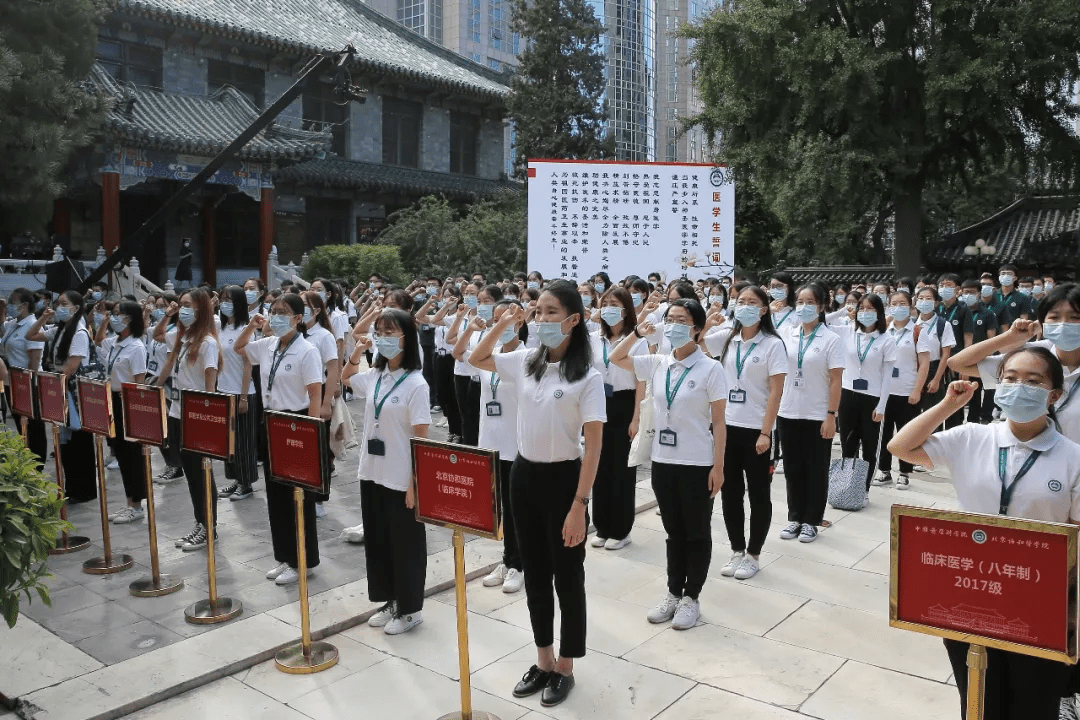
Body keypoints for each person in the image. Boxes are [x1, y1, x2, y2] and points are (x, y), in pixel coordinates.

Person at [888, 350, 1080, 720]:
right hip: (970, 591)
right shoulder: (972, 436)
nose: (1018, 387)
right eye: (1009, 378)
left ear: (1054, 394)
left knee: (1033, 703)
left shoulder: (1072, 457)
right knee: (978, 699)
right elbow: (901, 447)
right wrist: (948, 405)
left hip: (1040, 600)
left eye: (1033, 381)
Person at [469, 281, 605, 708]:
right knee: (535, 575)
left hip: (566, 481)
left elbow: (595, 445)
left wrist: (579, 506)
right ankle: (543, 657)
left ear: (573, 319)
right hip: (524, 476)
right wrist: (504, 324)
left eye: (551, 312)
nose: (541, 319)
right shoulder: (527, 361)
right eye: (538, 311)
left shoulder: (588, 375)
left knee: (568, 577)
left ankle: (566, 665)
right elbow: (472, 357)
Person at [608, 298, 726, 629]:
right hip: (662, 460)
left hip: (697, 462)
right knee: (674, 532)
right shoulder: (658, 363)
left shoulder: (711, 369)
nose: (673, 326)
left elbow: (719, 423)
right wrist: (636, 332)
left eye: (681, 320)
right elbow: (615, 358)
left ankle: (692, 597)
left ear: (698, 329)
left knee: (697, 532)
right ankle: (674, 592)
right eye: (669, 319)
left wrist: (718, 467)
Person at [342, 308, 431, 633]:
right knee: (379, 541)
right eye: (379, 333)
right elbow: (346, 379)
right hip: (372, 472)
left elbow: (422, 440)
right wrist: (357, 350)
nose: (382, 338)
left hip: (401, 476)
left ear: (406, 338)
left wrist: (414, 484)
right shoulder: (377, 376)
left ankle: (410, 609)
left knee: (406, 544)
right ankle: (390, 598)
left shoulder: (416, 384)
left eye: (390, 333)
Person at [235, 293, 324, 586]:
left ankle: (304, 560)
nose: (275, 316)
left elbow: (315, 395)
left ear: (298, 319)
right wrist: (252, 325)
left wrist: (310, 433)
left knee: (299, 496)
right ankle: (285, 557)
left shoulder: (307, 351)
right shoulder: (268, 345)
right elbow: (239, 348)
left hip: (297, 423)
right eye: (273, 311)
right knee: (276, 495)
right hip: (271, 421)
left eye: (283, 312)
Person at [704, 285, 787, 580]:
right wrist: (709, 320)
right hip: (727, 428)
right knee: (730, 492)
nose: (746, 306)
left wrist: (766, 433)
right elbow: (696, 343)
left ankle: (753, 553)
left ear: (764, 309)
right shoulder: (729, 338)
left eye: (753, 302)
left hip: (757, 431)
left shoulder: (772, 345)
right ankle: (736, 549)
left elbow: (776, 391)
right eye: (741, 301)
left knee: (759, 494)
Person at [462, 299, 526, 593]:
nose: (500, 324)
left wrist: (501, 323)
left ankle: (519, 564)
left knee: (518, 509)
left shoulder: (527, 358)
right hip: (491, 442)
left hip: (517, 444)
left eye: (508, 319)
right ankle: (508, 558)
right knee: (501, 508)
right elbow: (466, 356)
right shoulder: (490, 357)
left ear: (521, 322)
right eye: (496, 319)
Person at [776, 285, 843, 542]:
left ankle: (811, 520)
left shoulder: (831, 339)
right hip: (788, 411)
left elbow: (836, 380)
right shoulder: (786, 333)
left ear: (822, 306)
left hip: (817, 415)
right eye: (800, 302)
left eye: (810, 302)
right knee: (793, 469)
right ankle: (794, 517)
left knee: (815, 469)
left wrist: (831, 415)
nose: (804, 307)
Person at [154, 288, 220, 551]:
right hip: (178, 411)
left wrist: (206, 421)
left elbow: (210, 387)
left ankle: (208, 527)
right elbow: (162, 343)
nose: (183, 309)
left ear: (201, 309)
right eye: (181, 304)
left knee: (201, 473)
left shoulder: (207, 343)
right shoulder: (184, 338)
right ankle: (200, 523)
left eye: (188, 305)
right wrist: (169, 315)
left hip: (197, 415)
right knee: (192, 474)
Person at [588, 287, 647, 551]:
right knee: (598, 467)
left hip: (624, 404)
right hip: (598, 403)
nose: (609, 308)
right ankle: (602, 525)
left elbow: (641, 381)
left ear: (625, 310)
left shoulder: (638, 340)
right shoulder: (593, 339)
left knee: (621, 470)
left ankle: (621, 529)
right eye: (605, 303)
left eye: (615, 304)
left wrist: (637, 418)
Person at [27, 291, 99, 504]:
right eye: (58, 304)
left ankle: (84, 490)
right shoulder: (59, 329)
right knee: (66, 444)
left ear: (77, 307)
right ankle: (72, 487)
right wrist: (43, 317)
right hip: (60, 389)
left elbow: (71, 366)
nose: (60, 307)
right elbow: (31, 335)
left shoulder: (79, 332)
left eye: (64, 304)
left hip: (73, 393)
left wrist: (53, 383)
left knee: (79, 442)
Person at [837, 293, 897, 494]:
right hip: (847, 395)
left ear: (879, 312)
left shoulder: (886, 339)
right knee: (848, 444)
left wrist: (881, 406)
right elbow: (819, 322)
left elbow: (888, 376)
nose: (865, 312)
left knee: (870, 448)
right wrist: (842, 311)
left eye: (870, 309)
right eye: (861, 308)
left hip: (872, 398)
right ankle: (847, 488)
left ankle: (863, 490)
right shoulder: (848, 332)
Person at [875, 291, 929, 489]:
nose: (898, 307)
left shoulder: (918, 332)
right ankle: (884, 470)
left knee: (906, 433)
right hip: (884, 392)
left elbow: (924, 364)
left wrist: (917, 390)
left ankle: (905, 472)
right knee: (884, 433)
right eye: (894, 303)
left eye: (902, 303)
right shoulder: (883, 331)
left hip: (907, 392)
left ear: (910, 306)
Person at [215, 286, 257, 501]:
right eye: (222, 299)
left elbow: (248, 365)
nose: (225, 303)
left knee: (243, 441)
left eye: (229, 300)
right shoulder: (219, 327)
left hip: (242, 392)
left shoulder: (246, 329)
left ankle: (246, 483)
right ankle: (235, 479)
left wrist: (242, 397)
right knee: (228, 441)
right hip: (222, 390)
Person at [2, 288, 47, 464]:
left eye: (12, 302)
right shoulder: (13, 323)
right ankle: (27, 461)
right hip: (12, 381)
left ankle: (38, 463)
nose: (10, 305)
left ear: (24, 305)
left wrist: (29, 384)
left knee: (33, 426)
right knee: (21, 425)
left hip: (28, 383)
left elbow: (34, 362)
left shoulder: (31, 325)